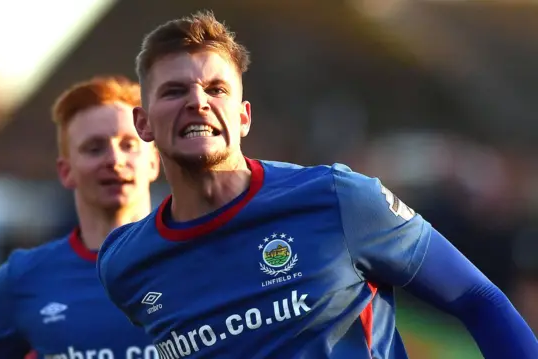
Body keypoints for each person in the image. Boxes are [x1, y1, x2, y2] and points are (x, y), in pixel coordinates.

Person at [96, 11, 538, 359]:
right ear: (144, 123)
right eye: (174, 92)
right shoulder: (124, 264)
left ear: (244, 116)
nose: (198, 102)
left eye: (216, 89)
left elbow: (478, 299)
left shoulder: (338, 199)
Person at [0, 76, 160, 359]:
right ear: (66, 172)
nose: (114, 159)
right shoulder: (22, 279)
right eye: (94, 148)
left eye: (128, 145)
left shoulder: (197, 260)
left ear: (153, 162)